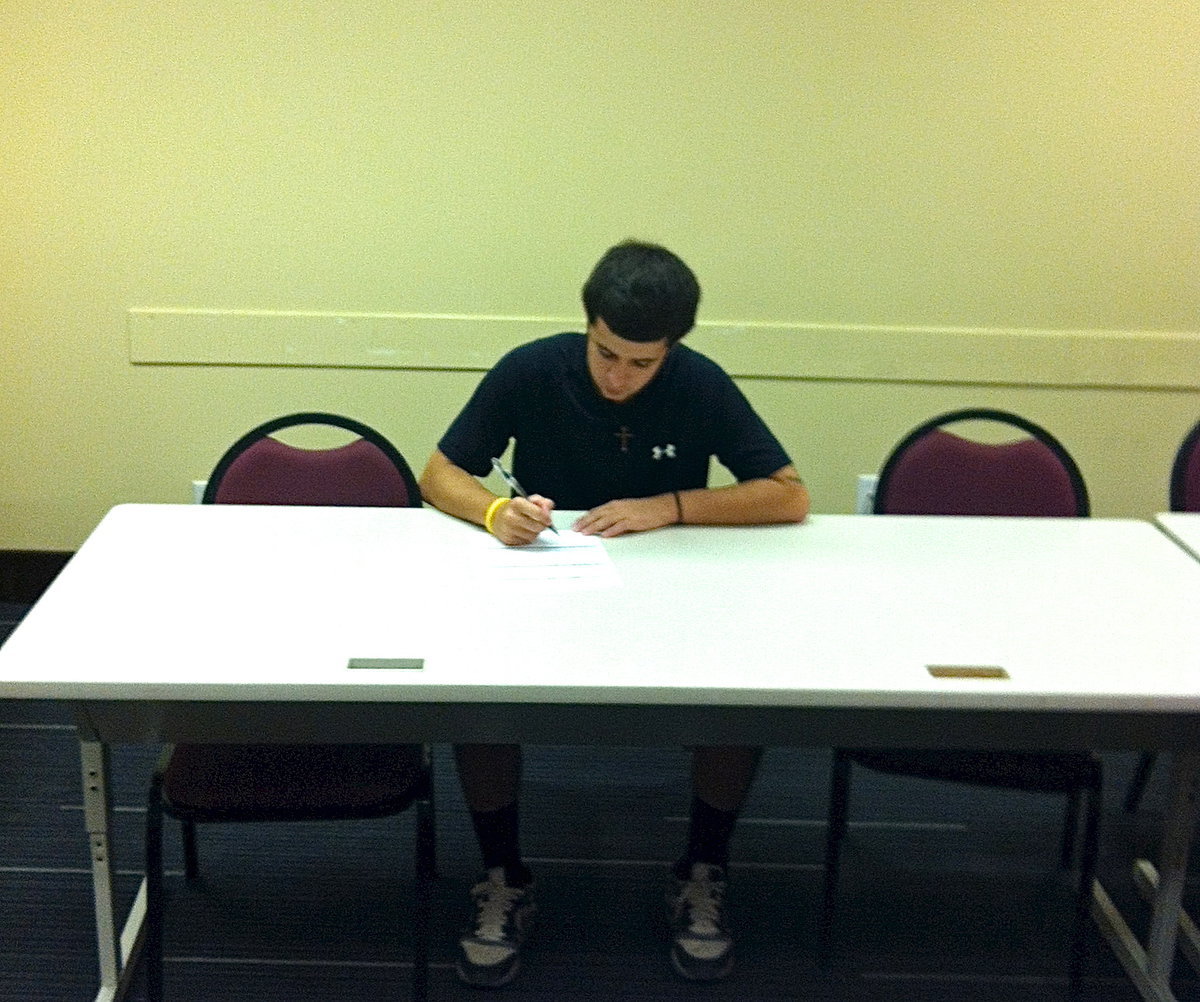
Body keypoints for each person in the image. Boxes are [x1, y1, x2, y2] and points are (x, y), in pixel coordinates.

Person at [419, 240, 809, 988]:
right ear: (588, 325)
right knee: (479, 694)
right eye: (605, 354)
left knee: (741, 690)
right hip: (550, 578)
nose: (617, 376)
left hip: (672, 591)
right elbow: (438, 472)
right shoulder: (532, 367)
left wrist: (671, 506)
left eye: (640, 363)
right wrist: (496, 509)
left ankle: (702, 869)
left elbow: (787, 492)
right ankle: (503, 876)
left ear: (672, 349)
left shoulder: (699, 384)